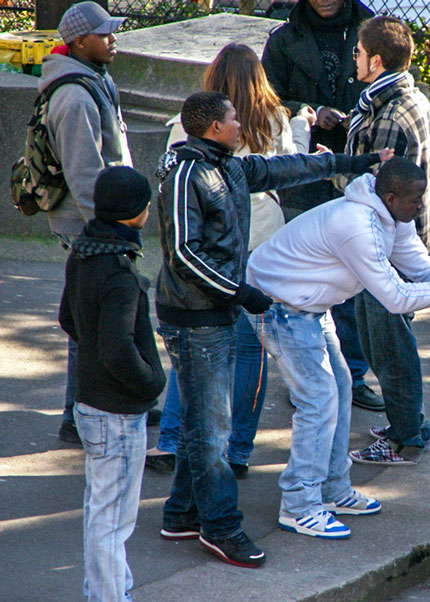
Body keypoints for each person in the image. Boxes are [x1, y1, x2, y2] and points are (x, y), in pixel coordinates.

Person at [154, 91, 388, 567]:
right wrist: (239, 292)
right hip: (194, 320)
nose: (240, 124)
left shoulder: (231, 168)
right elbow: (182, 253)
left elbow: (290, 168)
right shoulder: (185, 175)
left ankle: (181, 514)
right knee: (212, 431)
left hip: (215, 313)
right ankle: (221, 528)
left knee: (205, 423)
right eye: (233, 119)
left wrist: (355, 161)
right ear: (213, 128)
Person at [244, 157, 430, 539]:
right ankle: (299, 505)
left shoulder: (392, 216)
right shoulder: (357, 226)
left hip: (309, 306)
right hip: (278, 306)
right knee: (318, 401)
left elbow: (421, 267)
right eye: (414, 200)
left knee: (340, 389)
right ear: (391, 197)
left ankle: (332, 490)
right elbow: (396, 297)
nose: (420, 208)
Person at [145, 43, 315, 478]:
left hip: (208, 249)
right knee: (248, 351)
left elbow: (167, 177)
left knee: (196, 351)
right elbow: (291, 164)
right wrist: (301, 125)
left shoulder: (190, 124)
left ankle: (171, 440)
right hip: (262, 240)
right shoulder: (274, 120)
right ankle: (237, 450)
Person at [262, 0, 385, 414]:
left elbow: (396, 85)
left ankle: (352, 373)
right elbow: (268, 98)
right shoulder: (282, 40)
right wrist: (307, 113)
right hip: (305, 173)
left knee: (355, 275)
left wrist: (360, 118)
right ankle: (306, 375)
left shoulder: (374, 30)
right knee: (307, 280)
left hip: (358, 168)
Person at [39, 1, 154, 444]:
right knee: (90, 320)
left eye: (113, 31)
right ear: (79, 41)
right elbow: (84, 174)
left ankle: (84, 407)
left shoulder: (95, 78)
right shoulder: (73, 95)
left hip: (104, 224)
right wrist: (113, 232)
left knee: (95, 317)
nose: (113, 38)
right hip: (90, 227)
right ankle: (76, 413)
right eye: (104, 33)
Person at [58, 166, 167, 602]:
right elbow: (117, 348)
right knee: (114, 518)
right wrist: (148, 384)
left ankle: (106, 589)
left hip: (90, 401)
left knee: (100, 508)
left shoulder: (84, 252)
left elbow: (68, 318)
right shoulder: (120, 275)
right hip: (118, 411)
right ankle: (108, 596)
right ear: (133, 214)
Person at [338, 16, 430, 466]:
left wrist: (333, 167)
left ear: (377, 60)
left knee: (389, 347)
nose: (354, 59)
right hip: (402, 245)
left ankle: (404, 439)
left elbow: (372, 190)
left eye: (358, 53)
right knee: (391, 339)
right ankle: (410, 424)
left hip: (387, 250)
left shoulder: (390, 115)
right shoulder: (408, 99)